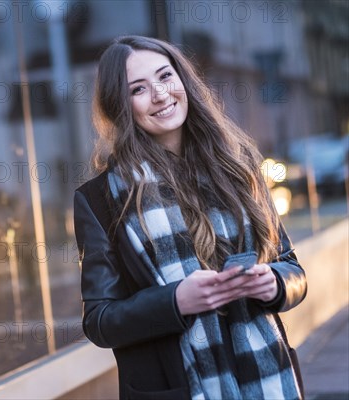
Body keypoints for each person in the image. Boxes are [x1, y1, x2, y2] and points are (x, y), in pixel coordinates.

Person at [73, 36, 307, 400]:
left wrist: (274, 283)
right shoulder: (101, 199)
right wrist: (176, 301)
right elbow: (100, 321)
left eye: (165, 76)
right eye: (138, 88)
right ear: (120, 106)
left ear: (184, 81)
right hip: (178, 386)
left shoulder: (239, 168)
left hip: (267, 379)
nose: (160, 94)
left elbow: (290, 267)